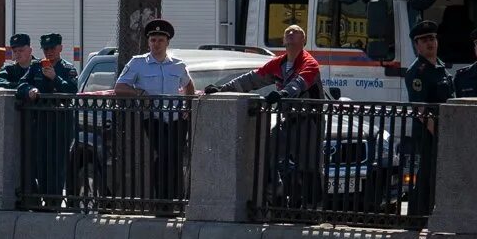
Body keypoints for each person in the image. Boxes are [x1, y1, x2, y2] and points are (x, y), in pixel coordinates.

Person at [207, 24, 325, 208]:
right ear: (283, 41)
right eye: (287, 32)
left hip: (309, 121)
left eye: (295, 32)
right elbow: (252, 78)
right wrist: (222, 88)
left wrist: (283, 94)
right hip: (288, 120)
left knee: (309, 166)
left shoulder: (310, 63)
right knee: (265, 152)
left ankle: (312, 210)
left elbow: (299, 83)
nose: (290, 34)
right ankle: (275, 195)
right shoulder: (279, 63)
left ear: (304, 40)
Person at [115, 18, 194, 207]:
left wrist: (187, 107)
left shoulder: (178, 65)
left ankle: (175, 199)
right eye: (153, 40)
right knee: (163, 155)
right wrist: (139, 93)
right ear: (148, 42)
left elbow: (189, 85)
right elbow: (120, 87)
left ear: (167, 43)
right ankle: (162, 200)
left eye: (160, 40)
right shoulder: (137, 63)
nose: (156, 44)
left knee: (174, 157)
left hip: (176, 118)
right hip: (153, 117)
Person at [18, 32, 80, 207]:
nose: (49, 52)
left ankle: (54, 200)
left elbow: (72, 90)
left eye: (52, 48)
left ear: (60, 48)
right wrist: (30, 90)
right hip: (40, 122)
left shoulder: (67, 68)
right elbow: (21, 85)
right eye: (46, 48)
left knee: (57, 162)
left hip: (60, 123)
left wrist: (55, 78)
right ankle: (42, 198)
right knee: (40, 161)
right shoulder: (36, 66)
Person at [402, 19, 452, 219]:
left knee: (439, 175)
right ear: (417, 45)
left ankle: (433, 214)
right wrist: (440, 133)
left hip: (445, 130)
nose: (429, 43)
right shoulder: (417, 72)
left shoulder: (440, 67)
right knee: (427, 175)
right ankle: (417, 218)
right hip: (429, 132)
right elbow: (420, 109)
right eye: (423, 40)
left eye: (432, 38)